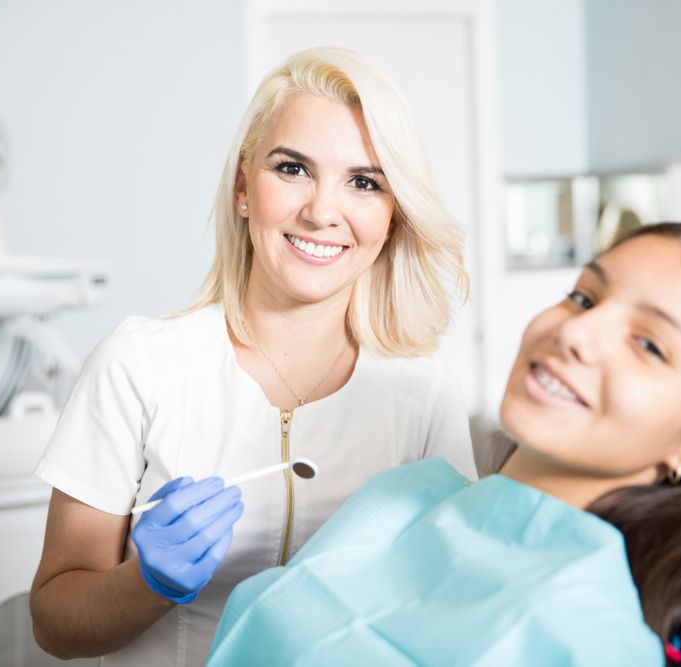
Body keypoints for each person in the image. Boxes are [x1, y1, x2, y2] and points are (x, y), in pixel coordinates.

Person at [29, 46, 476, 665]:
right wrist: (146, 584)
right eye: (292, 169)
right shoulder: (136, 366)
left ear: (392, 216)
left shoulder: (425, 396)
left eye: (364, 182)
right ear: (244, 188)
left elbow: (445, 611)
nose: (322, 211)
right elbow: (54, 622)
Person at [205, 223, 681, 666]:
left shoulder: (587, 636)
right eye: (584, 297)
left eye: (649, 344)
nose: (576, 330)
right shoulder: (403, 497)